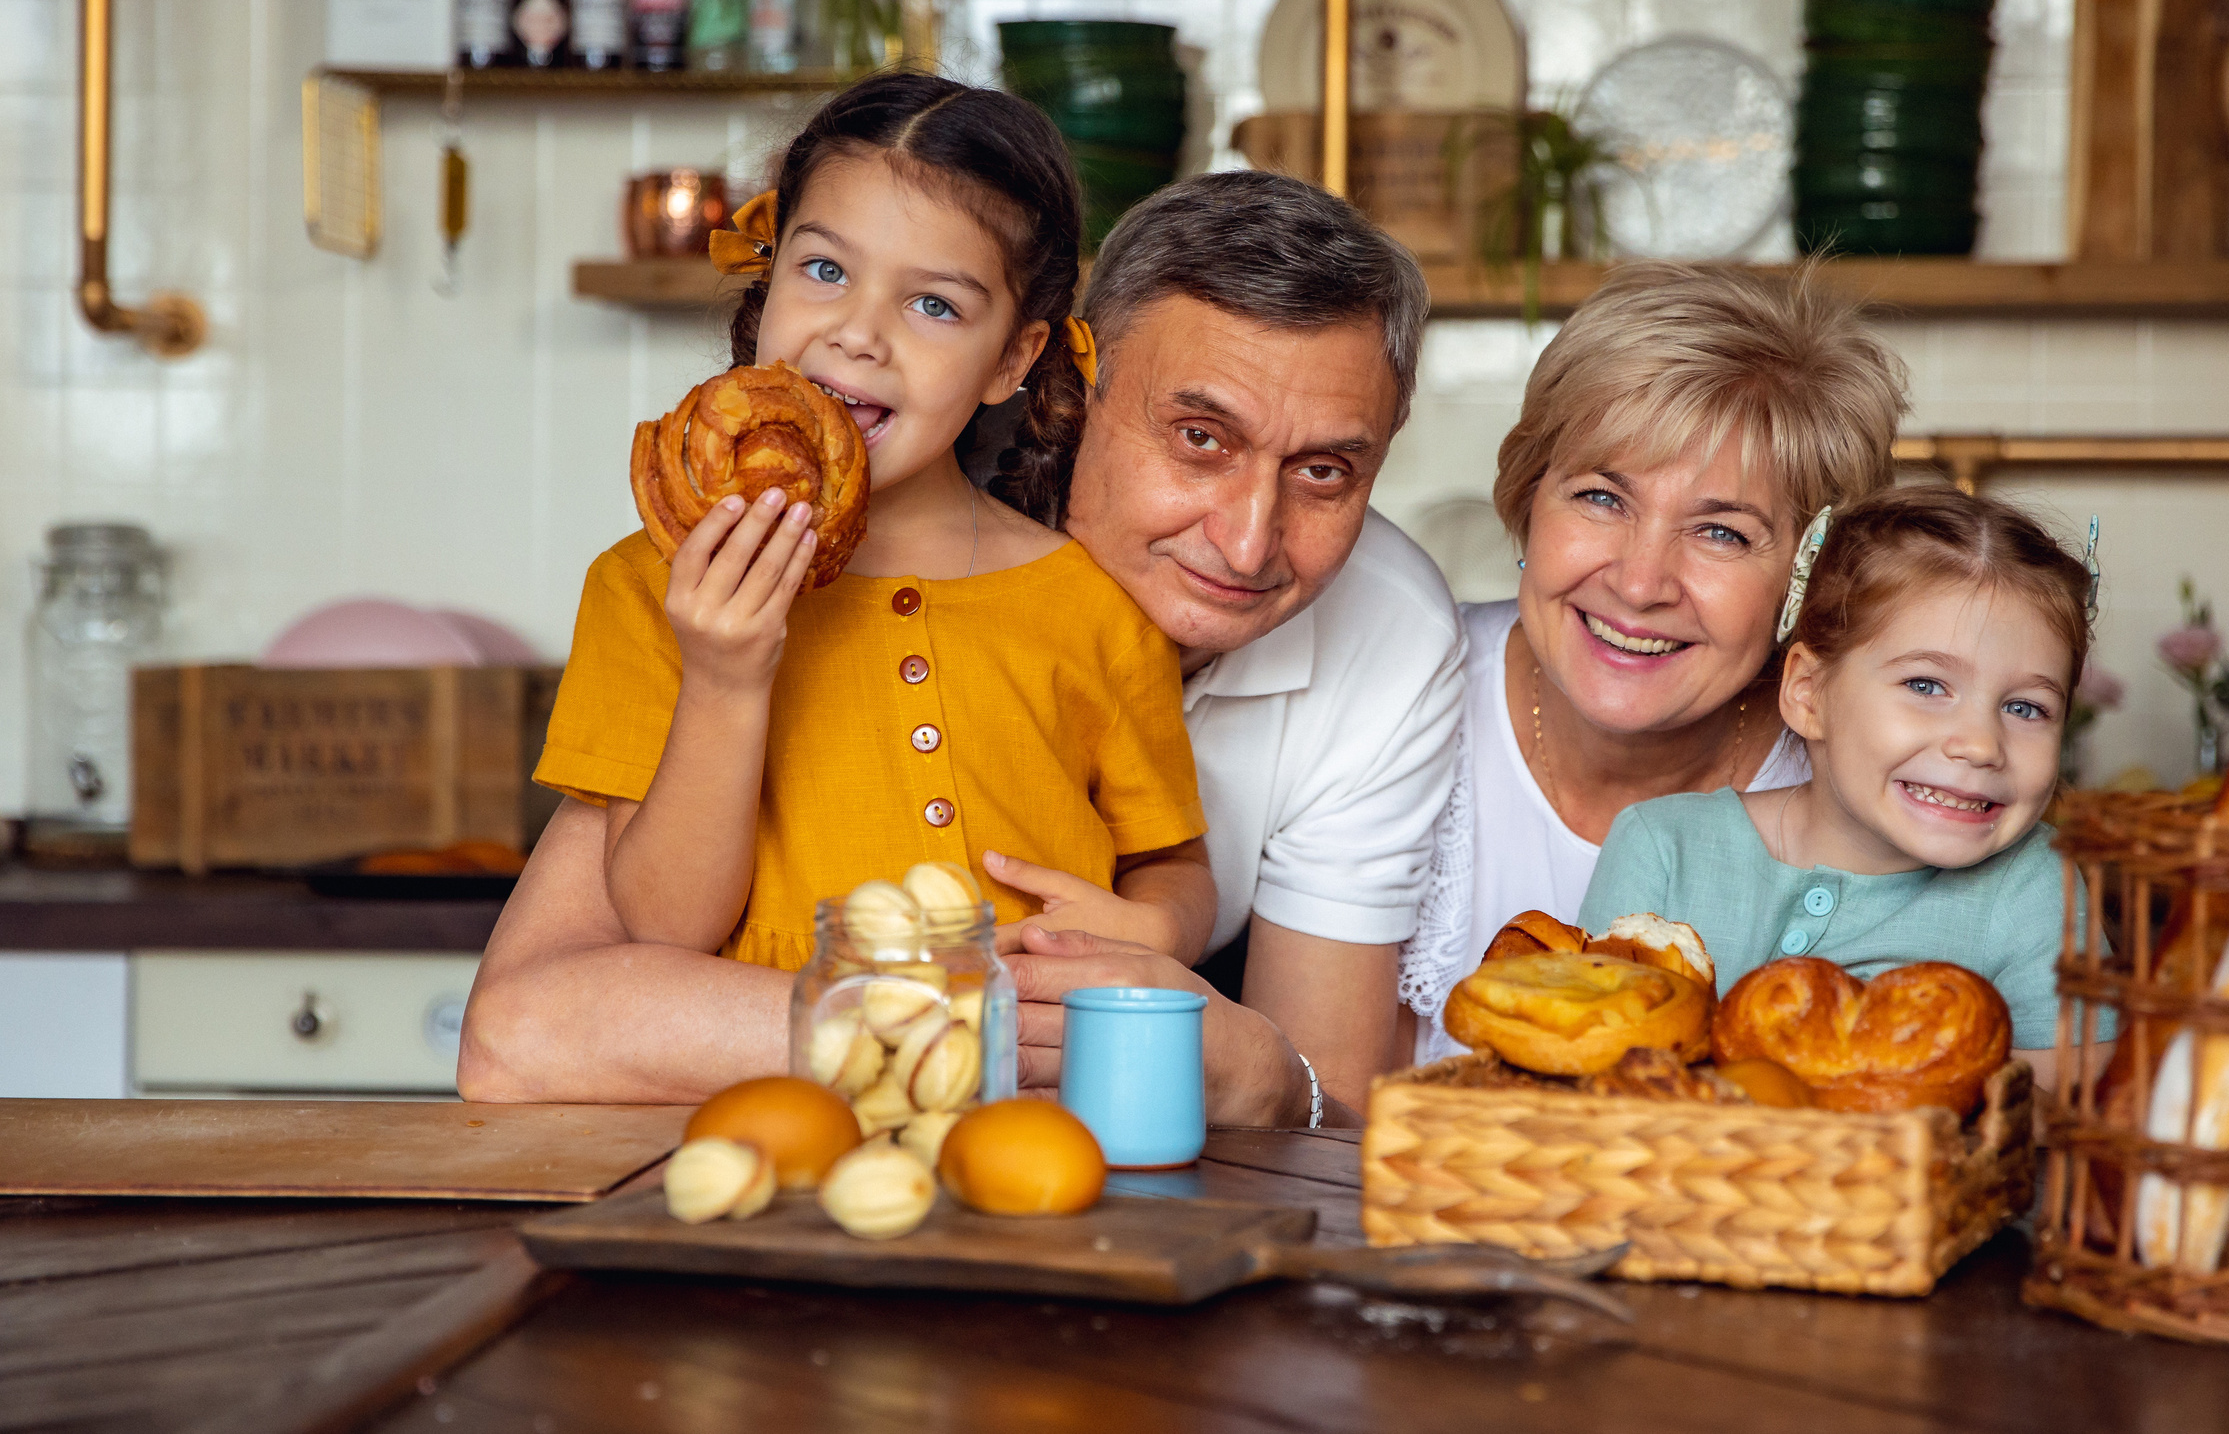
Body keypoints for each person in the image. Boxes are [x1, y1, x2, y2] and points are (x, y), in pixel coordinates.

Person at [462, 170, 1465, 1127]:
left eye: (1324, 471)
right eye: (1199, 438)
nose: (1247, 542)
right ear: (1067, 380)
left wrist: (1247, 1061)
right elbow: (525, 1031)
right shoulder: (846, 522)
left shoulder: (1388, 631)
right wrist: (951, 1026)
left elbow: (1321, 1106)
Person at [540, 70, 1215, 976]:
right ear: (770, 273)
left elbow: (1173, 864)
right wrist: (724, 678)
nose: (859, 333)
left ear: (1012, 359)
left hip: (1022, 1059)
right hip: (769, 1060)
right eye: (825, 270)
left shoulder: (1091, 607)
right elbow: (666, 928)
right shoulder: (650, 587)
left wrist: (1160, 929)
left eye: (934, 304)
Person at [1399, 265, 1907, 1063]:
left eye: (1722, 532)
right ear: (1529, 498)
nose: (1640, 584)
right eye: (1602, 497)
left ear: (1806, 578)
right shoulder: (1399, 689)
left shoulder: (1859, 775)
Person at [1577, 485, 2112, 1088]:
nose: (1981, 745)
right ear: (1809, 694)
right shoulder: (1662, 848)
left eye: (2026, 708)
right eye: (1926, 686)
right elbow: (1588, 1066)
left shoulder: (2035, 886)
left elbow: (2079, 1090)